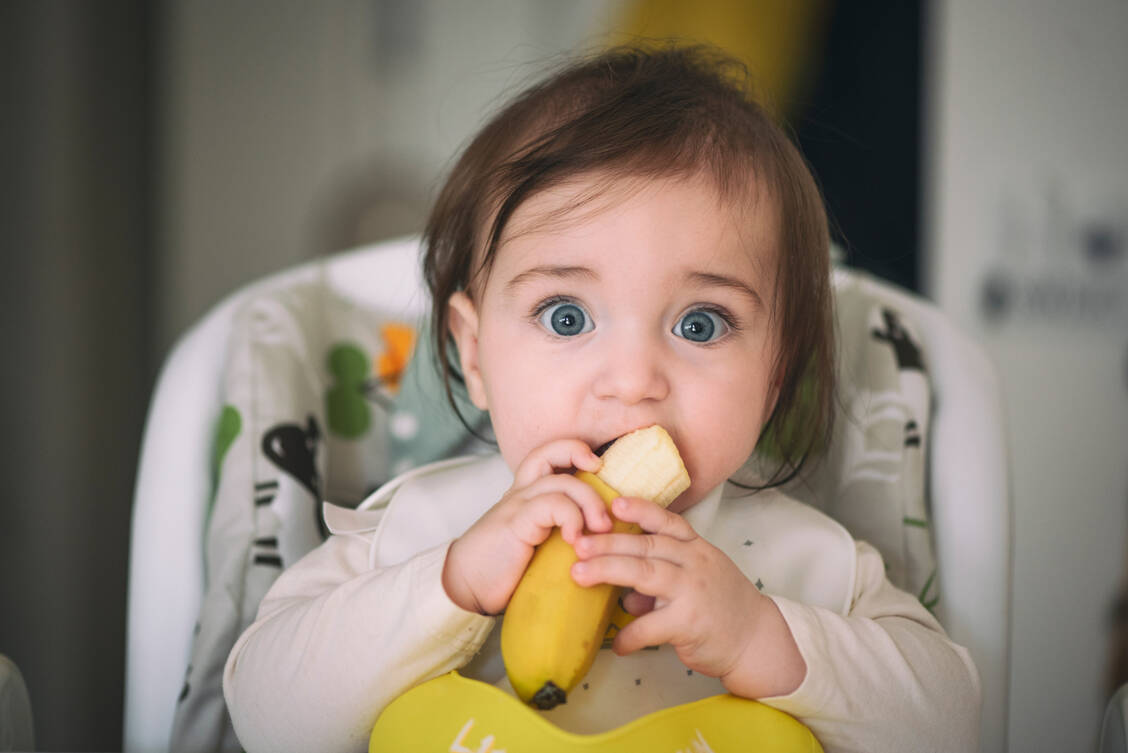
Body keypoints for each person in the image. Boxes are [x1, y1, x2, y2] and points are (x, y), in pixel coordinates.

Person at [223, 44, 980, 752]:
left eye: (700, 323)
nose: (633, 379)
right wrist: (447, 586)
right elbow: (263, 713)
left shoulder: (805, 563)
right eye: (566, 316)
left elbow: (952, 723)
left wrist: (766, 640)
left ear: (775, 378)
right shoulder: (421, 532)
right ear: (475, 352)